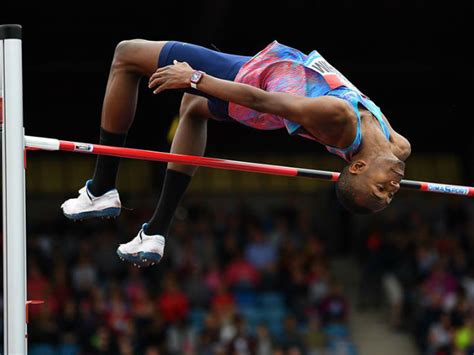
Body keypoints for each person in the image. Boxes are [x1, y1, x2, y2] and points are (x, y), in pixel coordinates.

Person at [61, 39, 411, 267]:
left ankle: (101, 188)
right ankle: (155, 232)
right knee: (194, 109)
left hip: (258, 83)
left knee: (126, 56)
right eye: (386, 193)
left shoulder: (340, 120)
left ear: (358, 166)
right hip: (277, 68)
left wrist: (194, 76)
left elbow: (263, 101)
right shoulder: (398, 145)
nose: (392, 189)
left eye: (380, 190)